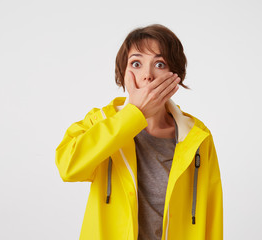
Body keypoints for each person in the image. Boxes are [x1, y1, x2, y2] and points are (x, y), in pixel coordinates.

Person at [55, 24, 223, 240]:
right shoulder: (101, 121)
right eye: (136, 63)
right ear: (123, 72)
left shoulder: (197, 136)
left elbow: (212, 216)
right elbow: (68, 168)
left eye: (160, 64)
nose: (147, 75)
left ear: (175, 75)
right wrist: (134, 115)